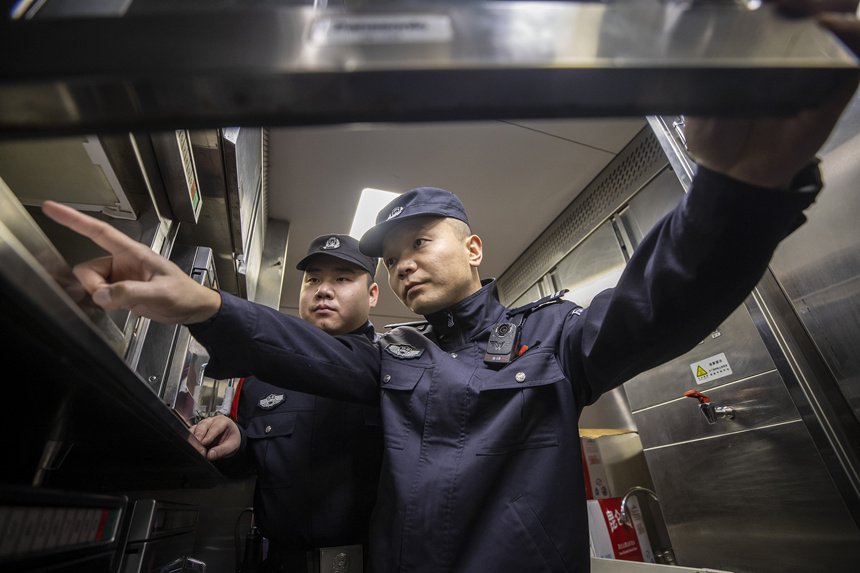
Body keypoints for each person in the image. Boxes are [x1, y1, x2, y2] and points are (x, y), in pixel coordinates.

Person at [41, 10, 860, 571]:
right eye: (390, 256)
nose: (402, 265)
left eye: (419, 244)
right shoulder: (392, 355)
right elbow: (307, 352)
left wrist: (736, 190)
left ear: (472, 248)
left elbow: (662, 298)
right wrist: (204, 305)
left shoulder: (554, 340)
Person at [190, 234, 385, 573]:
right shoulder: (259, 378)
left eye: (342, 278)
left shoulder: (395, 370)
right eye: (313, 280)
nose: (323, 290)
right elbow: (252, 467)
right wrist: (236, 443)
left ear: (372, 294)